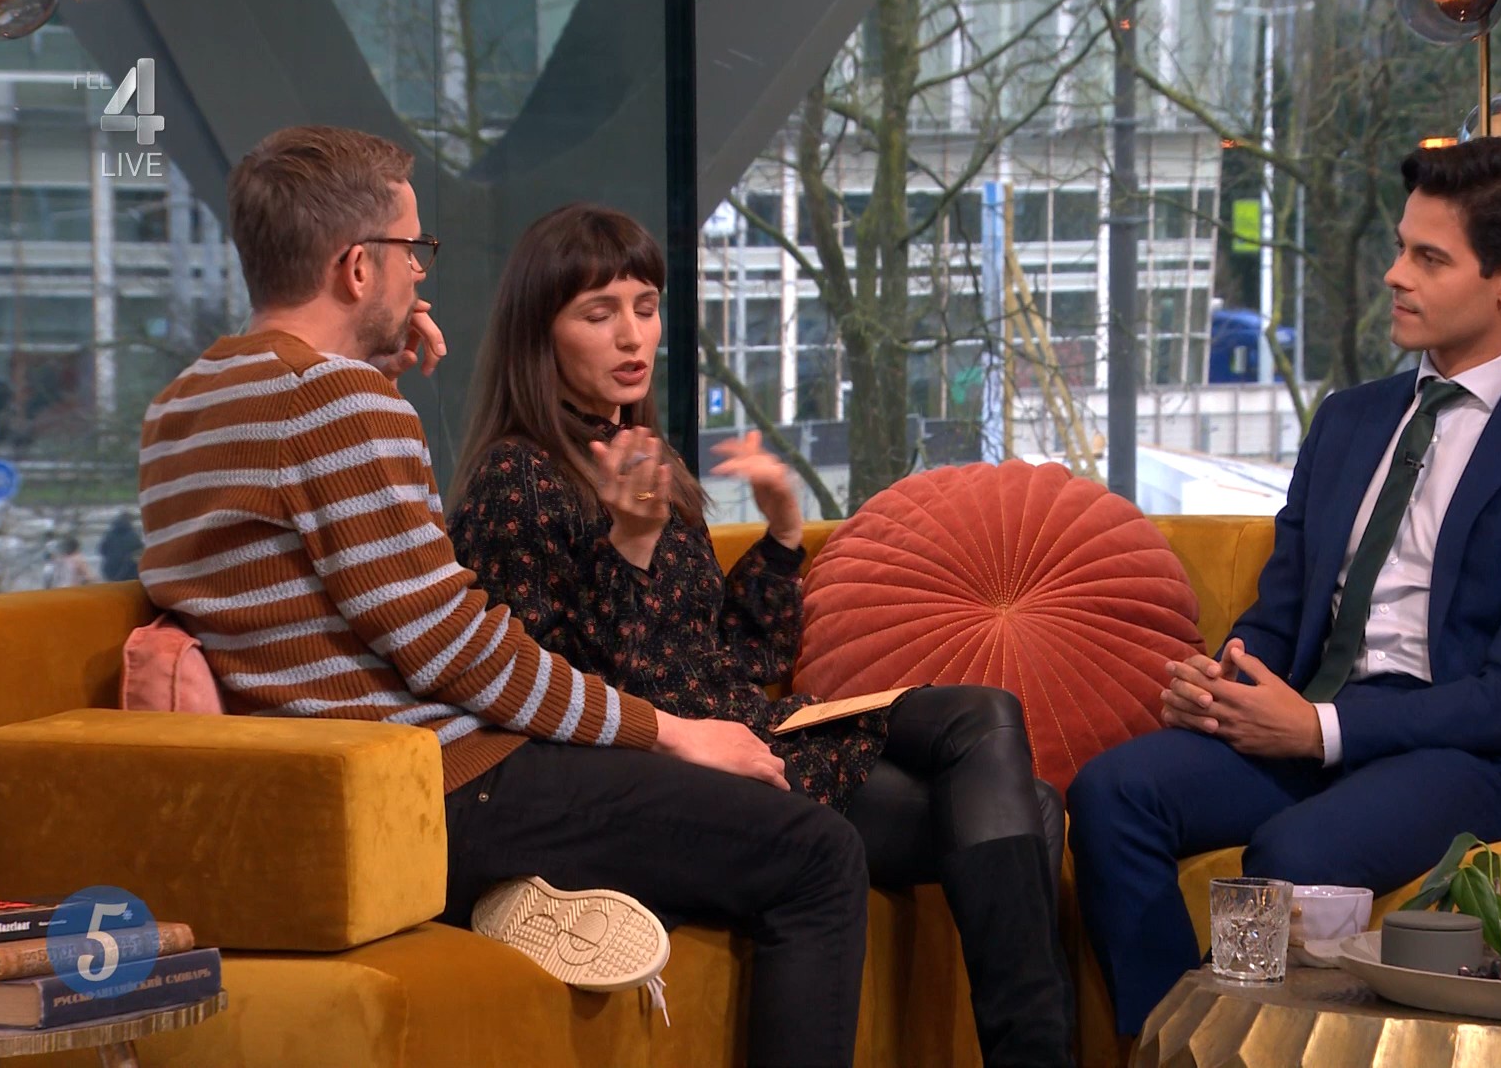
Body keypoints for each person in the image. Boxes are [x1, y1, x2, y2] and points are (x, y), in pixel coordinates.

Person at [137, 125, 871, 1068]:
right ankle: (529, 889)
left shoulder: (181, 408)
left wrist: (371, 376)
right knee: (817, 853)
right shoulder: (339, 406)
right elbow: (456, 648)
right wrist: (672, 732)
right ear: (357, 267)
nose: (419, 275)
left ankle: (559, 897)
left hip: (335, 789)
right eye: (413, 250)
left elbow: (304, 571)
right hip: (447, 787)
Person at [446, 202, 1076, 1067]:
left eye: (645, 307)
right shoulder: (514, 480)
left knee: (983, 715)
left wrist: (782, 536)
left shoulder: (642, 456)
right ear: (539, 333)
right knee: (1030, 808)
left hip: (748, 727)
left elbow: (733, 656)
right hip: (659, 770)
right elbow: (555, 694)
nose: (632, 335)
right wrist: (630, 548)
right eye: (598, 313)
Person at [1067, 137, 1501, 1036]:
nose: (1394, 275)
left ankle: (1236, 1046)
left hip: (1474, 752)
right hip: (1313, 717)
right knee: (1115, 791)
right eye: (1400, 247)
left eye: (1429, 258)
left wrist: (1318, 729)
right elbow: (1284, 607)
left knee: (1296, 848)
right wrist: (1228, 679)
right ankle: (1170, 1046)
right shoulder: (1347, 420)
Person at [98, 511, 143, 582]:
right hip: (128, 573)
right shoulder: (133, 536)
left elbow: (101, 550)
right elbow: (139, 554)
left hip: (110, 571)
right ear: (130, 521)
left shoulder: (109, 534)